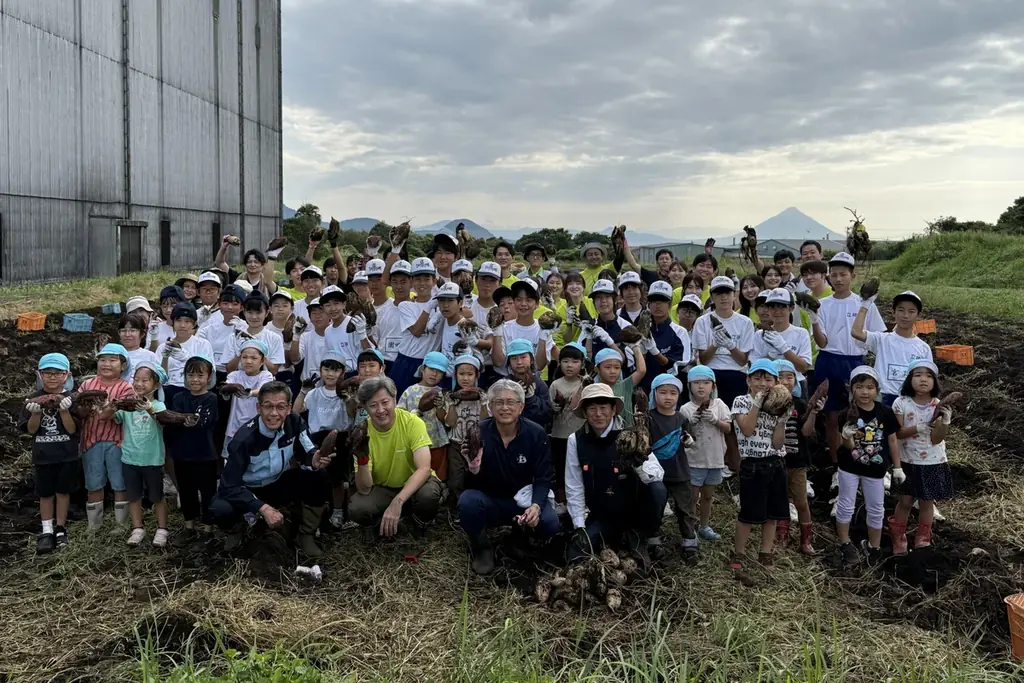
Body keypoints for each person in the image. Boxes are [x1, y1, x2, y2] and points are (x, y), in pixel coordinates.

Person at [210, 382, 330, 558]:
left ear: (288, 408)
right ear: (258, 408)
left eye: (280, 407)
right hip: (248, 490)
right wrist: (263, 508)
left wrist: (314, 460)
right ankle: (236, 529)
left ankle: (306, 533)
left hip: (277, 483)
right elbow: (229, 485)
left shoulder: (295, 422)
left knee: (318, 476)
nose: (274, 413)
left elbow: (307, 450)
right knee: (219, 508)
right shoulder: (243, 440)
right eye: (268, 406)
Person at [459, 379, 559, 574]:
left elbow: (543, 476)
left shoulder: (536, 433)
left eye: (511, 402)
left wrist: (536, 506)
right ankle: (482, 547)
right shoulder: (478, 432)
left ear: (521, 407)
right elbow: (469, 485)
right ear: (490, 407)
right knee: (468, 502)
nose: (505, 408)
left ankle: (520, 538)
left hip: (523, 500)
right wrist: (473, 468)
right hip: (492, 499)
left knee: (550, 522)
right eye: (498, 402)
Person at [565, 384, 667, 564]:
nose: (598, 414)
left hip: (632, 512)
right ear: (585, 412)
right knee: (576, 555)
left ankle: (643, 535)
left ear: (613, 410)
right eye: (592, 409)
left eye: (603, 408)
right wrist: (579, 525)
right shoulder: (576, 440)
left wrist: (639, 464)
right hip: (600, 513)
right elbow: (574, 485)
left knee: (657, 490)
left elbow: (656, 475)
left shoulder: (631, 435)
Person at [811, 253, 885, 465]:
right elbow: (822, 342)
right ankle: (837, 463)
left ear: (853, 275)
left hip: (855, 362)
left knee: (860, 414)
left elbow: (879, 335)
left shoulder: (864, 304)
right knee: (832, 416)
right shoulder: (822, 305)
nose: (838, 279)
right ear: (828, 277)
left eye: (843, 274)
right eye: (833, 275)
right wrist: (814, 320)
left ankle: (861, 458)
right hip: (828, 360)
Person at [350, 376, 443, 538]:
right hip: (383, 488)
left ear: (394, 399)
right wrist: (362, 459)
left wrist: (398, 501)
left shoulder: (412, 422)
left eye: (385, 402)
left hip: (415, 484)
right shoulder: (362, 434)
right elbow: (364, 489)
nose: (380, 410)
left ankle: (419, 522)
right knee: (357, 507)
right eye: (373, 405)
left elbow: (424, 469)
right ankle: (381, 524)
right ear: (364, 407)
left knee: (428, 494)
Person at [728, 359, 789, 584]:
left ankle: (765, 553)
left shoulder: (778, 405)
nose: (762, 383)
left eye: (768, 379)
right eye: (757, 378)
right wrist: (757, 403)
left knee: (772, 514)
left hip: (776, 462)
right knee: (748, 514)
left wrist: (781, 421)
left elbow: (777, 443)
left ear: (776, 382)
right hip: (753, 464)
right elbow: (747, 429)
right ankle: (738, 555)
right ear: (748, 380)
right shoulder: (741, 401)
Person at [834, 366, 901, 565]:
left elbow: (892, 440)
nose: (865, 392)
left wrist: (897, 467)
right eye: (860, 387)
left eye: (870, 387)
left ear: (877, 390)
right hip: (850, 467)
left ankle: (874, 547)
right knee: (846, 505)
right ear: (852, 389)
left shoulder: (885, 412)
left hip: (875, 469)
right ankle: (845, 543)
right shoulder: (846, 414)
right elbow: (847, 446)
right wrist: (846, 437)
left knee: (877, 508)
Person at [889, 359, 953, 554]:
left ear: (935, 382)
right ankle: (898, 536)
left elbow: (936, 439)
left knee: (927, 502)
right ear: (909, 379)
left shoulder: (937, 406)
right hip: (907, 460)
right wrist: (918, 428)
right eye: (917, 375)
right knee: (905, 501)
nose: (923, 380)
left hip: (932, 461)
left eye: (928, 376)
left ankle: (923, 537)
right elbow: (897, 433)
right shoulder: (901, 403)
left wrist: (945, 422)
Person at [21, 354, 78, 553]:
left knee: (63, 492)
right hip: (43, 455)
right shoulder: (32, 399)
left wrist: (64, 411)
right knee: (45, 493)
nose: (52, 377)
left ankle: (60, 528)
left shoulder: (72, 399)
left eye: (58, 373)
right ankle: (46, 530)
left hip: (67, 455)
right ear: (40, 374)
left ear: (67, 375)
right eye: (47, 373)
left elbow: (72, 430)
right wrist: (36, 412)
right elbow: (31, 430)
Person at [80, 343, 137, 531]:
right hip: (91, 440)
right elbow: (78, 408)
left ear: (123, 365)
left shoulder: (126, 388)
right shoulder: (87, 385)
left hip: (117, 441)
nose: (106, 364)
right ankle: (94, 525)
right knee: (93, 483)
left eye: (113, 360)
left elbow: (126, 415)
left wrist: (109, 409)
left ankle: (121, 524)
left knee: (119, 483)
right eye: (102, 360)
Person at [293, 351, 352, 529]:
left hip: (340, 439)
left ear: (342, 373)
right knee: (317, 476)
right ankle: (317, 513)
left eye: (335, 370)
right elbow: (295, 412)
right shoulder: (315, 394)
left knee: (337, 478)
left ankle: (338, 511)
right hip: (316, 439)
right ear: (320, 371)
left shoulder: (346, 394)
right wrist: (303, 391)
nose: (330, 374)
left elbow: (352, 413)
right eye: (326, 369)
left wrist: (348, 398)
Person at [167, 354, 220, 549]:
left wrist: (186, 419)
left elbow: (205, 421)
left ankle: (208, 530)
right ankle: (189, 527)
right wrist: (182, 419)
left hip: (205, 454)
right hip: (182, 454)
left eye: (200, 375)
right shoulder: (179, 397)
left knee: (208, 493)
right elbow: (173, 419)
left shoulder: (211, 398)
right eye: (190, 375)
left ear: (209, 377)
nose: (195, 380)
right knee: (186, 491)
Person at [117, 361, 172, 547]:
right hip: (129, 458)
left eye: (145, 380)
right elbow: (111, 416)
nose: (139, 384)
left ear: (155, 385)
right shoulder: (128, 406)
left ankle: (162, 528)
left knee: (157, 496)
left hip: (152, 459)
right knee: (133, 495)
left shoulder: (159, 405)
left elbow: (162, 421)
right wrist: (111, 405)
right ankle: (137, 528)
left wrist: (149, 408)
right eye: (136, 379)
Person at [649, 374, 699, 564]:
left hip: (679, 472)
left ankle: (689, 541)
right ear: (654, 394)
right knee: (655, 507)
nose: (668, 397)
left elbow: (690, 438)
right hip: (655, 474)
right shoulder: (648, 418)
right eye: (663, 392)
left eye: (673, 393)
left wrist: (689, 440)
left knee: (685, 508)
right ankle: (653, 540)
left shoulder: (681, 419)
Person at [852, 290, 933, 406]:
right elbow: (856, 332)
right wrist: (865, 305)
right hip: (882, 398)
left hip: (909, 401)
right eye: (901, 310)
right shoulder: (882, 339)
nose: (905, 315)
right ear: (893, 312)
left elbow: (928, 379)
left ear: (918, 315)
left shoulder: (923, 348)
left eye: (911, 311)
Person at [679, 365, 730, 542]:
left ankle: (705, 525)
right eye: (696, 383)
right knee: (693, 496)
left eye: (706, 383)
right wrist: (690, 424)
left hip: (715, 458)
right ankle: (690, 526)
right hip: (694, 459)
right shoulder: (685, 409)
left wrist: (716, 421)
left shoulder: (720, 405)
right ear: (689, 386)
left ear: (713, 386)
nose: (701, 386)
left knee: (708, 495)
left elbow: (728, 428)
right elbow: (683, 435)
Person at [774, 359, 820, 555]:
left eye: (790, 377)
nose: (785, 381)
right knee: (780, 500)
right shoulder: (768, 404)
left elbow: (806, 432)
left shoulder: (800, 404)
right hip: (776, 461)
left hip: (797, 461)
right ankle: (781, 537)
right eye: (780, 377)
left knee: (801, 502)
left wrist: (813, 413)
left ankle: (805, 539)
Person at [692, 276, 755, 407]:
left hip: (737, 373)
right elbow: (704, 360)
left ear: (734, 295)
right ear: (712, 297)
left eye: (727, 293)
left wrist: (730, 345)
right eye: (719, 293)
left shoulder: (745, 322)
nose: (724, 297)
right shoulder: (702, 321)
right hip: (710, 372)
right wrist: (715, 344)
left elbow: (742, 360)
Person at [393, 258, 444, 397]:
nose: (422, 283)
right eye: (418, 279)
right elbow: (416, 331)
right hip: (406, 362)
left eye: (427, 279)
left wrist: (440, 309)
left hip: (431, 365)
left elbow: (464, 313)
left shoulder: (442, 306)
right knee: (400, 402)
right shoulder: (405, 306)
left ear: (434, 281)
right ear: (412, 281)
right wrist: (429, 307)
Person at [397, 352, 452, 479]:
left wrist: (439, 407)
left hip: (437, 441)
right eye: (431, 369)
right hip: (414, 441)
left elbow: (445, 420)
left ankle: (438, 489)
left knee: (438, 474)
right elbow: (399, 415)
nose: (434, 374)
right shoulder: (409, 391)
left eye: (439, 372)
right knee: (416, 472)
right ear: (423, 369)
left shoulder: (443, 393)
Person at [549, 342, 588, 515]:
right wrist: (554, 407)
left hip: (580, 433)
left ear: (582, 363)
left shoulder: (586, 383)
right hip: (559, 434)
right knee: (561, 468)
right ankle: (562, 501)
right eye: (565, 361)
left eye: (574, 361)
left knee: (580, 467)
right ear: (559, 363)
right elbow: (550, 408)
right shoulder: (555, 384)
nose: (569, 365)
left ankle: (582, 502)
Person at [443, 354, 488, 503]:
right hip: (456, 444)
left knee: (477, 475)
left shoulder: (482, 397)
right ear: (455, 375)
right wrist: (450, 404)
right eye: (461, 374)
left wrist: (483, 403)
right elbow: (451, 423)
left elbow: (485, 421)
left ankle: (475, 503)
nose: (465, 378)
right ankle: (457, 504)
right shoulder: (451, 397)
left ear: (477, 375)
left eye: (470, 374)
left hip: (476, 445)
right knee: (456, 478)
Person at [222, 339, 275, 455]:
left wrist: (248, 393)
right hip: (235, 423)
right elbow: (226, 388)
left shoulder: (266, 375)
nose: (248, 361)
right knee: (232, 457)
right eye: (244, 357)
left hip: (256, 425)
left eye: (254, 358)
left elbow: (263, 390)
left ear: (262, 361)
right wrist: (227, 389)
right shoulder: (234, 375)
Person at [491, 279, 552, 378]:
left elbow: (539, 366)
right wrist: (497, 334)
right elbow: (498, 362)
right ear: (514, 302)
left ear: (537, 304)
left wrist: (543, 338)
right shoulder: (503, 328)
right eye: (519, 299)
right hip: (505, 380)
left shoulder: (543, 329)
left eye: (529, 300)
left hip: (532, 380)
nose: (523, 304)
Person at [750, 289, 812, 387]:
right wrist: (770, 357)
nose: (777, 311)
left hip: (794, 386)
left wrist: (784, 348)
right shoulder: (759, 335)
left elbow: (803, 368)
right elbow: (756, 367)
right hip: (768, 385)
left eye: (782, 307)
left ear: (791, 308)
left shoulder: (801, 333)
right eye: (772, 307)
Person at [156, 302, 214, 406]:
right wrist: (165, 358)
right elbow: (160, 378)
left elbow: (210, 374)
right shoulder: (163, 347)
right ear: (173, 322)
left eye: (187, 321)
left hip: (195, 392)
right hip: (169, 391)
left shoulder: (203, 344)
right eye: (178, 320)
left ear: (194, 324)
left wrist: (187, 358)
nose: (182, 325)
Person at [640, 281, 690, 391]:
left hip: (670, 389)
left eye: (662, 300)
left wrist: (653, 350)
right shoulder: (642, 330)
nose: (657, 305)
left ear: (670, 304)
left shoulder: (680, 332)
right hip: (644, 388)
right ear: (648, 304)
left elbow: (675, 368)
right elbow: (638, 366)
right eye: (654, 300)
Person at [320, 284, 372, 374]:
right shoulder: (327, 331)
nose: (333, 308)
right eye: (328, 305)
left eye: (336, 304)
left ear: (344, 304)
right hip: (337, 375)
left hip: (357, 373)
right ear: (323, 308)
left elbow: (370, 353)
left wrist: (362, 334)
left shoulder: (354, 324)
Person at [593, 347, 646, 429]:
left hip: (627, 432)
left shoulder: (625, 385)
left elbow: (641, 371)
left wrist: (636, 347)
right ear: (597, 369)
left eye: (617, 367)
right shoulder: (593, 390)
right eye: (607, 367)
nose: (613, 371)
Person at [365, 259, 401, 368]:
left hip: (395, 361)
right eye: (371, 280)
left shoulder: (396, 306)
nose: (374, 284)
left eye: (378, 279)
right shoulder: (366, 309)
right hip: (373, 363)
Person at [117, 313, 160, 381]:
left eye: (132, 330)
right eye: (123, 330)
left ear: (142, 334)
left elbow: (159, 380)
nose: (127, 334)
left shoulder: (150, 356)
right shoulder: (113, 355)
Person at [148, 285, 186, 351]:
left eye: (173, 306)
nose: (168, 310)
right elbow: (150, 354)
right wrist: (154, 337)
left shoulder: (189, 328)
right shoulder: (156, 328)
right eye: (164, 306)